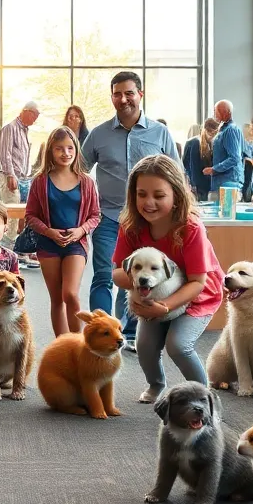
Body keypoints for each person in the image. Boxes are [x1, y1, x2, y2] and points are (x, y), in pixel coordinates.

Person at [112, 155, 225, 403]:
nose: (149, 202)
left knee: (178, 345)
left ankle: (203, 398)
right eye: (141, 194)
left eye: (159, 196)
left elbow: (198, 281)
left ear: (176, 195)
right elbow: (118, 272)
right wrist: (140, 281)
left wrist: (164, 307)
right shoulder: (130, 226)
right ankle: (156, 384)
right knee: (144, 346)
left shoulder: (190, 228)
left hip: (197, 294)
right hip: (151, 297)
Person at [82, 71, 180, 351]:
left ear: (140, 94)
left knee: (138, 277)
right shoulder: (99, 134)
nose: (123, 99)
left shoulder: (159, 133)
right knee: (104, 274)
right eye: (117, 94)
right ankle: (100, 330)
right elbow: (80, 171)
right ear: (112, 97)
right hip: (108, 218)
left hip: (148, 220)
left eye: (128, 93)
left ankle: (131, 332)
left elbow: (177, 175)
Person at [25, 126, 101, 336]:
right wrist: (49, 232)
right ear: (50, 150)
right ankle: (63, 346)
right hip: (48, 244)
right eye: (59, 149)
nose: (65, 153)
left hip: (76, 245)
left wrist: (81, 231)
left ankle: (78, 344)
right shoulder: (40, 181)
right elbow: (30, 216)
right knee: (57, 299)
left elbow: (95, 215)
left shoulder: (86, 181)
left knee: (70, 294)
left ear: (76, 150)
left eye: (70, 148)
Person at [0, 102, 40, 245]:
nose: (36, 118)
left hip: (22, 177)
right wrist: (10, 175)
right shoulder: (10, 128)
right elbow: (5, 154)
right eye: (35, 114)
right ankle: (7, 247)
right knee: (11, 214)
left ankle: (14, 247)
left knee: (21, 215)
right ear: (26, 111)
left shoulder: (24, 131)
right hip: (10, 176)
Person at [203, 100, 243, 198]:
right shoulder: (224, 129)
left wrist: (214, 169)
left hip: (227, 185)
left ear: (224, 112)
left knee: (225, 213)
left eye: (215, 111)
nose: (214, 114)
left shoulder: (230, 130)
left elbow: (234, 158)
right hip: (221, 184)